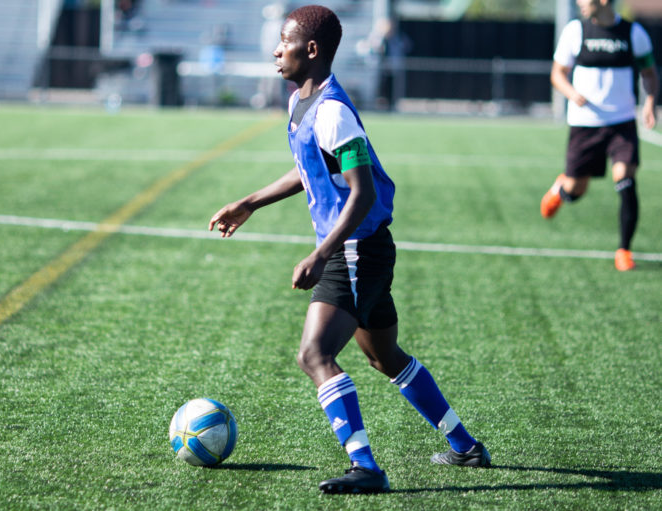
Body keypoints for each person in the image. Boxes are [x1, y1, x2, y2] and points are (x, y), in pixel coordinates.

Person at [209, 5, 490, 494]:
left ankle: (366, 467)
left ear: (311, 50)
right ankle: (466, 446)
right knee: (384, 356)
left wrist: (322, 254)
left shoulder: (333, 110)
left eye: (285, 41)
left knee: (314, 353)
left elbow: (361, 193)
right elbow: (310, 167)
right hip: (362, 247)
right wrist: (249, 202)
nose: (276, 50)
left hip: (356, 248)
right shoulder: (301, 100)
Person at [540, 0, 658, 271]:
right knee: (576, 190)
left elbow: (649, 73)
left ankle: (624, 250)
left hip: (621, 123)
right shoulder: (575, 31)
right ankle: (562, 188)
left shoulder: (634, 33)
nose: (579, 3)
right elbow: (557, 74)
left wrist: (650, 101)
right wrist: (571, 94)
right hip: (585, 123)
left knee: (626, 181)